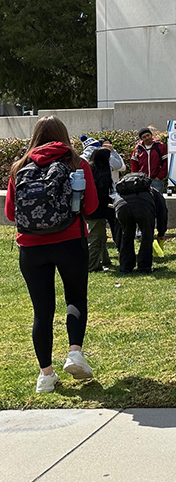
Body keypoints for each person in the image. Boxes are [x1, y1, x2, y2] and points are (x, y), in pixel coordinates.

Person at [5, 116, 97, 393]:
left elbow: (11, 213)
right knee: (76, 298)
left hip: (31, 247)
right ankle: (74, 353)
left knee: (41, 311)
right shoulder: (77, 164)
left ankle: (45, 375)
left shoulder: (19, 167)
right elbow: (90, 207)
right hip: (70, 240)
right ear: (64, 135)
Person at [113, 172, 168, 273]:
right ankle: (144, 267)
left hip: (122, 206)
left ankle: (125, 267)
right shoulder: (152, 191)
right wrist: (161, 232)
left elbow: (116, 225)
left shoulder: (123, 191)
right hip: (144, 207)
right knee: (147, 236)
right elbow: (162, 212)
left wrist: (117, 244)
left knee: (127, 235)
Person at [85, 147, 117, 272]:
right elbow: (103, 193)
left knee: (101, 236)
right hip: (97, 209)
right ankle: (92, 266)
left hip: (89, 208)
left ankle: (105, 260)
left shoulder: (90, 168)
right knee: (95, 238)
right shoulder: (103, 172)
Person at [130, 127, 168, 194]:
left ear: (151, 135)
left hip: (156, 180)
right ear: (142, 139)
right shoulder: (138, 148)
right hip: (143, 180)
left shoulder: (160, 146)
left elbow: (166, 162)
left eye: (148, 135)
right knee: (144, 200)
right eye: (144, 137)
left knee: (157, 200)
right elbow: (134, 163)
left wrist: (159, 177)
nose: (147, 138)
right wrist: (136, 177)